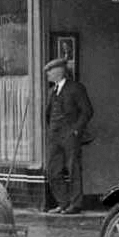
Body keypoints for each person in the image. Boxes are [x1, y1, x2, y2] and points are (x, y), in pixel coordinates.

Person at [43, 56, 93, 214]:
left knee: (73, 170)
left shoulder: (76, 88)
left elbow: (87, 111)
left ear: (58, 72)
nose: (48, 75)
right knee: (52, 170)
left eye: (49, 72)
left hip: (70, 135)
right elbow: (48, 114)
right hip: (54, 137)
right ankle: (63, 203)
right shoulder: (52, 91)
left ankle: (75, 204)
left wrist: (76, 130)